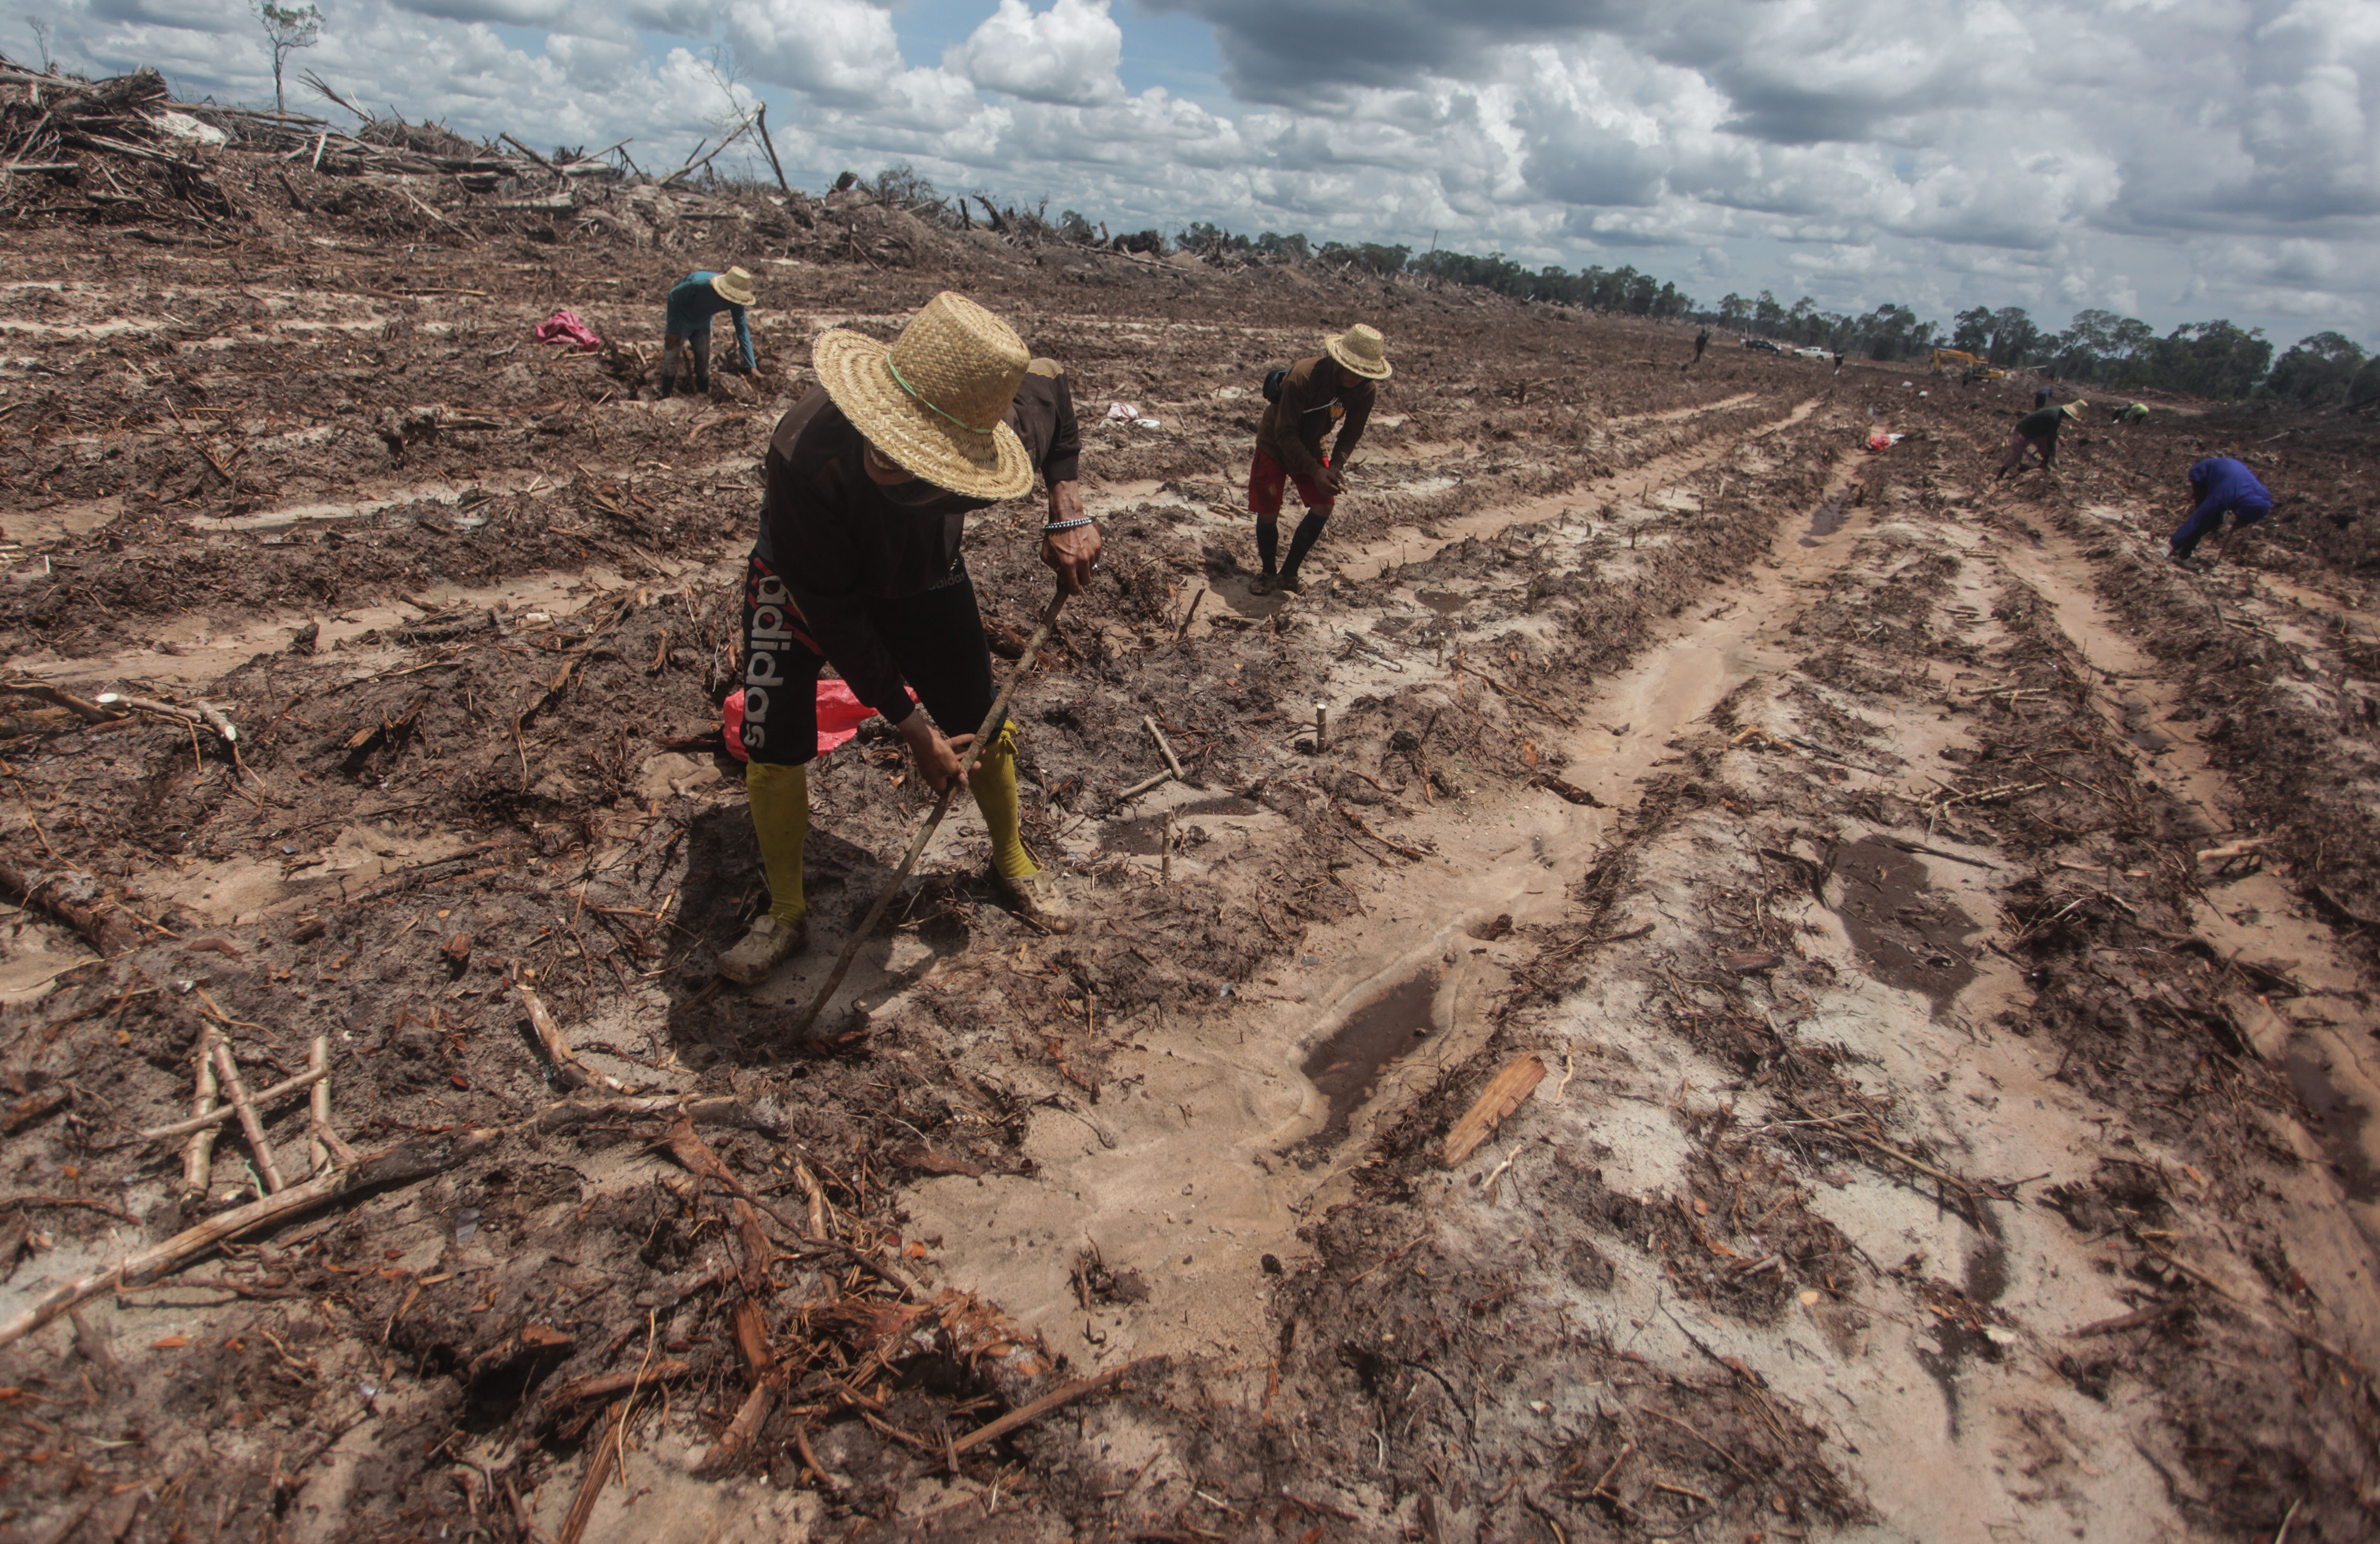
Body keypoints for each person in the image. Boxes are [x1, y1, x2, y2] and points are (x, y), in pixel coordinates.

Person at [717, 292, 1101, 985]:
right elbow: (833, 610)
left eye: (916, 454)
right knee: (771, 732)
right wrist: (909, 725)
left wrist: (1066, 507)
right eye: (885, 436)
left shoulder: (1001, 423)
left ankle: (1010, 857)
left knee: (981, 714)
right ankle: (783, 909)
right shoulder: (803, 449)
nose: (889, 457)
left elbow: (1048, 380)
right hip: (801, 579)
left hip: (921, 574)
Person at [1248, 323, 1392, 595]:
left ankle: (1289, 574)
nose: (1354, 377)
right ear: (1339, 359)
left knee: (1324, 506)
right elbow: (1285, 433)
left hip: (1313, 444)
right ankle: (1267, 572)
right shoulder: (1303, 376)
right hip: (1274, 443)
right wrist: (1315, 471)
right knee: (1268, 510)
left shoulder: (1365, 391)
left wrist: (1335, 467)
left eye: (1362, 373)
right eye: (1350, 368)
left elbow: (1350, 434)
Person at [659, 267, 756, 396]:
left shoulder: (736, 303)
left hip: (703, 323)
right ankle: (666, 395)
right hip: (681, 320)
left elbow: (742, 330)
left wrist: (751, 365)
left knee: (704, 362)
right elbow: (673, 297)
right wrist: (673, 330)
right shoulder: (699, 284)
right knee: (671, 358)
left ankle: (702, 395)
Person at [2167, 456, 2272, 565]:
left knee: (2217, 521)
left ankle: (2182, 546)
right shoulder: (2224, 497)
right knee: (2206, 520)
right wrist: (2171, 544)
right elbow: (2198, 517)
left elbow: (2257, 510)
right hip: (2204, 473)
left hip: (2229, 475)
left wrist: (2241, 522)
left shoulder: (2262, 499)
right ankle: (2183, 555)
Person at [1993, 399, 2085, 480]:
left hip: (2037, 431)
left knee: (2048, 445)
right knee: (2016, 454)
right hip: (2025, 431)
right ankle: (2001, 475)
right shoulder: (2055, 417)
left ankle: (2045, 463)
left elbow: (2052, 433)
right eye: (2071, 416)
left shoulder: (2058, 410)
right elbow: (2051, 437)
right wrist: (2053, 454)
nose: (2070, 418)